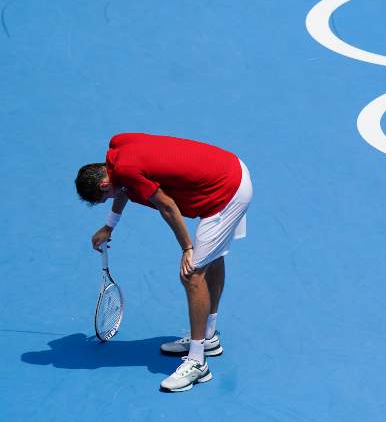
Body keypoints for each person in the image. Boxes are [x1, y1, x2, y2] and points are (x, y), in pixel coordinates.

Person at [75, 133, 253, 392]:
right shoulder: (117, 152)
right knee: (212, 260)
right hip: (231, 168)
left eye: (105, 198)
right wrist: (109, 225)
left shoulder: (124, 173)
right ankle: (207, 338)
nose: (110, 199)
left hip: (226, 192)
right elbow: (125, 185)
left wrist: (187, 248)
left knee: (192, 274)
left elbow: (168, 206)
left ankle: (197, 363)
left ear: (103, 185)